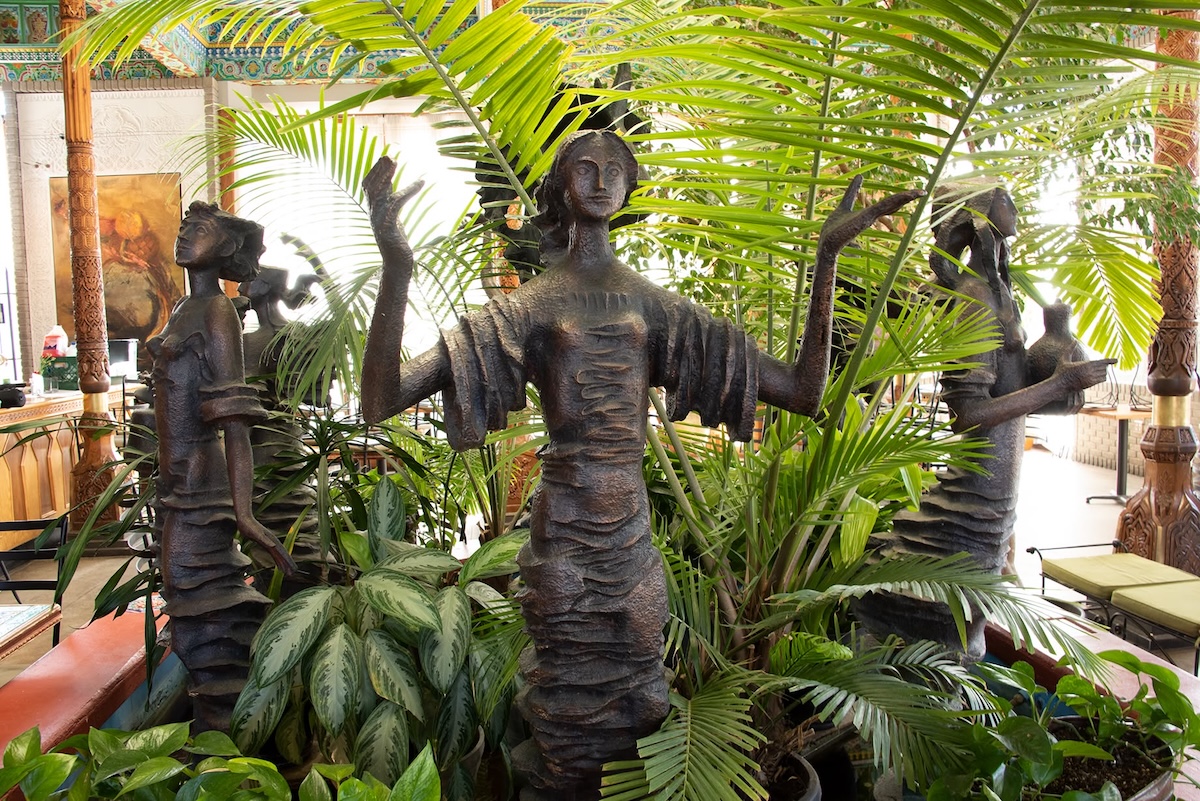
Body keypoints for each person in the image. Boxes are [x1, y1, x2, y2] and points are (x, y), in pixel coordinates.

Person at [361, 130, 920, 800]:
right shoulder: (533, 303)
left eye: (614, 169)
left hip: (629, 535)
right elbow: (383, 397)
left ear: (631, 185)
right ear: (564, 185)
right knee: (565, 722)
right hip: (565, 530)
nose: (600, 180)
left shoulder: (653, 305)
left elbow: (803, 391)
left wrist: (828, 257)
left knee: (640, 704)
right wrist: (396, 266)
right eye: (584, 168)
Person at [855, 184, 1113, 658]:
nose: (1015, 208)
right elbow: (970, 415)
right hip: (973, 499)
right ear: (978, 218)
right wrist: (1056, 386)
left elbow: (1011, 395)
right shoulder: (973, 298)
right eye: (1006, 201)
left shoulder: (999, 293)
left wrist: (1062, 383)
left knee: (966, 631)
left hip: (993, 498)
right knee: (956, 635)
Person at [149, 201, 296, 734]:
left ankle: (223, 734)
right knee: (190, 604)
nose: (186, 234)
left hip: (201, 488)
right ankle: (216, 727)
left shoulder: (217, 313)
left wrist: (245, 513)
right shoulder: (184, 310)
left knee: (200, 606)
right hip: (179, 482)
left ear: (229, 248)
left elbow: (234, 420)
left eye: (201, 228)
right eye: (185, 225)